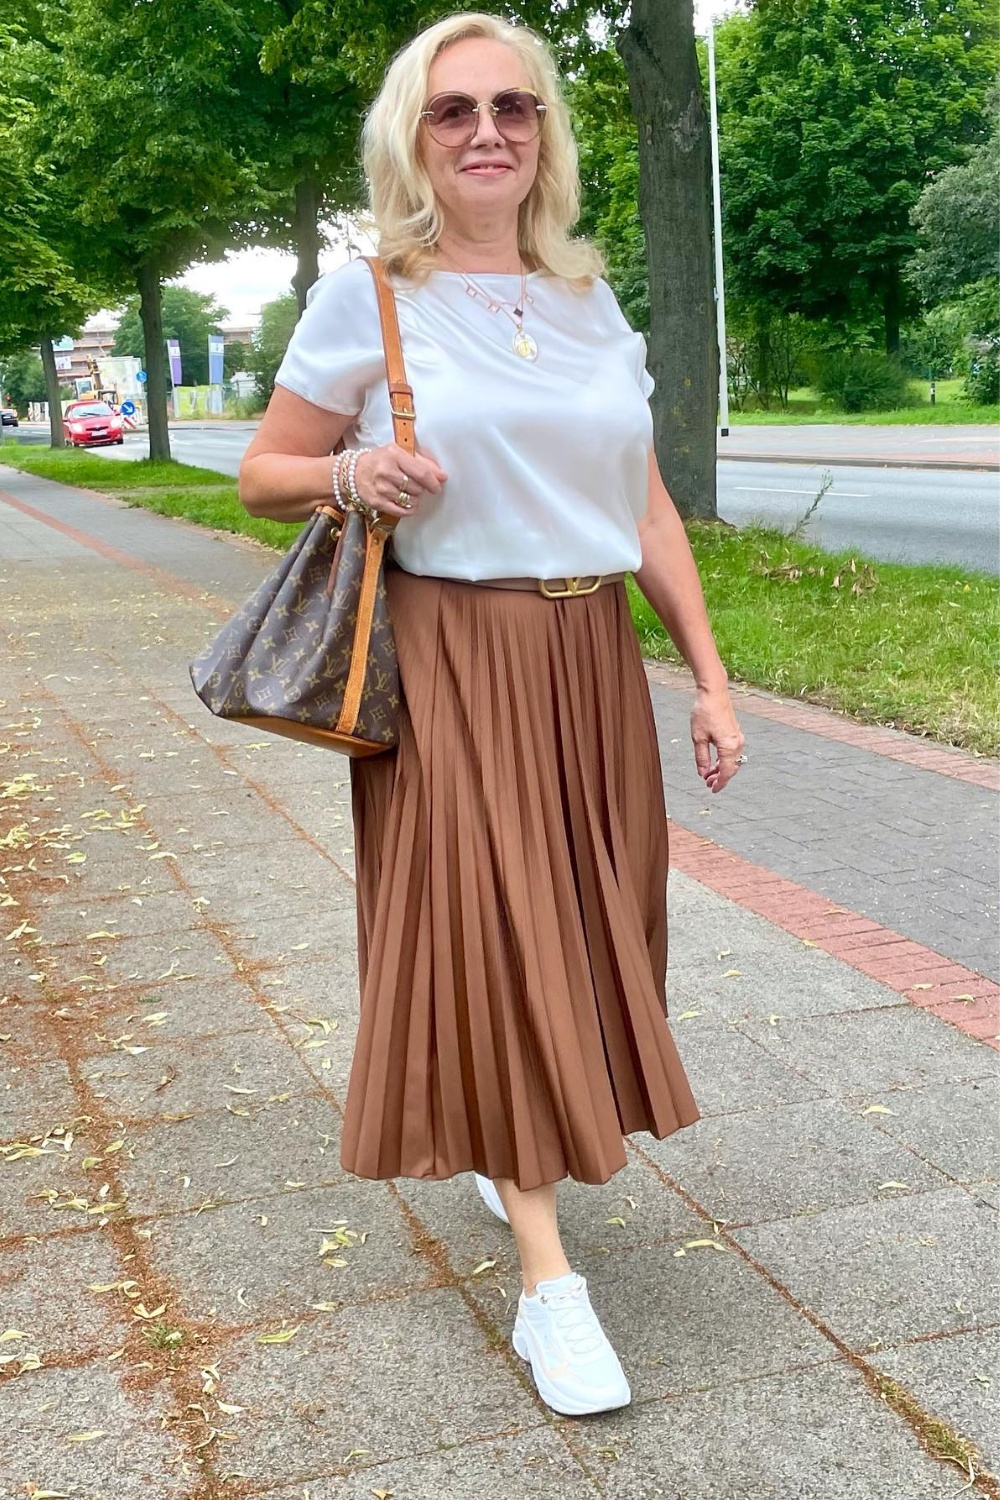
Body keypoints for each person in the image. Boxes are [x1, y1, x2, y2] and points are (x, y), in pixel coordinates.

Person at [238, 10, 745, 1419]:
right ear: (414, 137)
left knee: (588, 928)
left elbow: (643, 506)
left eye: (514, 108)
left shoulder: (591, 299)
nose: (487, 133)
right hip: (451, 654)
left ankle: (503, 1139)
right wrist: (354, 474)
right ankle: (547, 1284)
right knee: (505, 923)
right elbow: (264, 470)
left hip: (590, 659)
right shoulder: (371, 298)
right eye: (455, 110)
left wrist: (706, 679)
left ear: (545, 137)